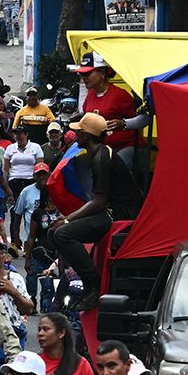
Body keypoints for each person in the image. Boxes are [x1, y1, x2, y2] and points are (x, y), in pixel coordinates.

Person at [45, 113, 136, 313]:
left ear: (86, 135)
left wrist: (67, 220)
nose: (75, 135)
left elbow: (98, 202)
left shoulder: (101, 158)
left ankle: (92, 284)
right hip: (110, 211)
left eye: (79, 132)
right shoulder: (99, 154)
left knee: (63, 234)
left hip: (117, 215)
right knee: (56, 231)